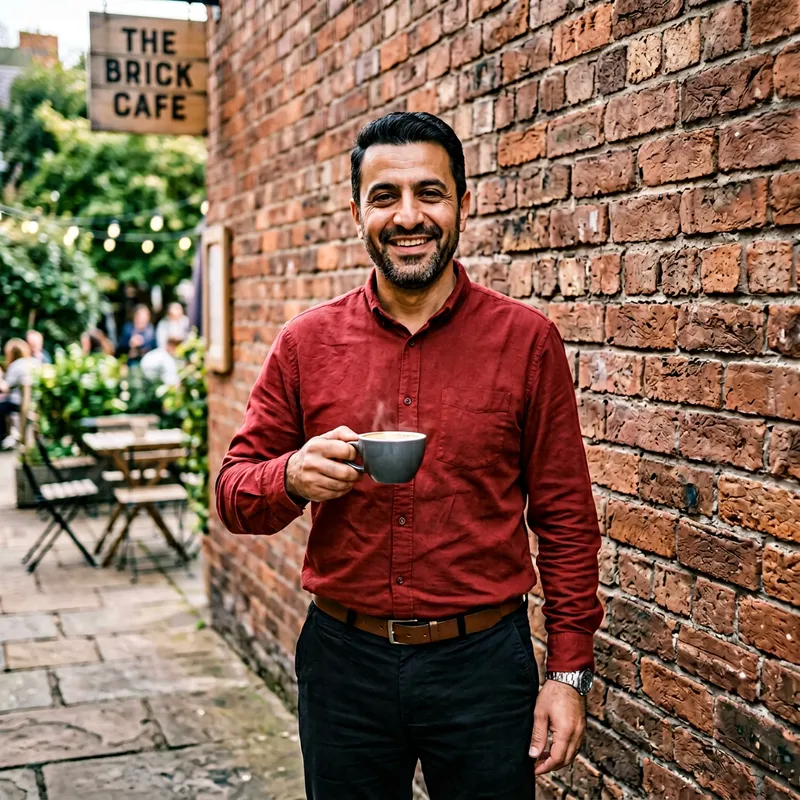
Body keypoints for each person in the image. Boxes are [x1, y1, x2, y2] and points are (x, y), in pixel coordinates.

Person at [216, 112, 602, 800]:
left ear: (462, 203)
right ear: (357, 210)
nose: (408, 216)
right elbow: (234, 495)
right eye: (385, 196)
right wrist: (292, 476)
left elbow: (566, 517)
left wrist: (567, 675)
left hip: (484, 664)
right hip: (344, 663)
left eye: (430, 192)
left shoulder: (526, 341)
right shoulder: (305, 343)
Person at [0, 339, 39, 449]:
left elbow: (5, 388)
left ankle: (2, 438)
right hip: (34, 401)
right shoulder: (33, 362)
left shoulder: (16, 365)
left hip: (19, 403)